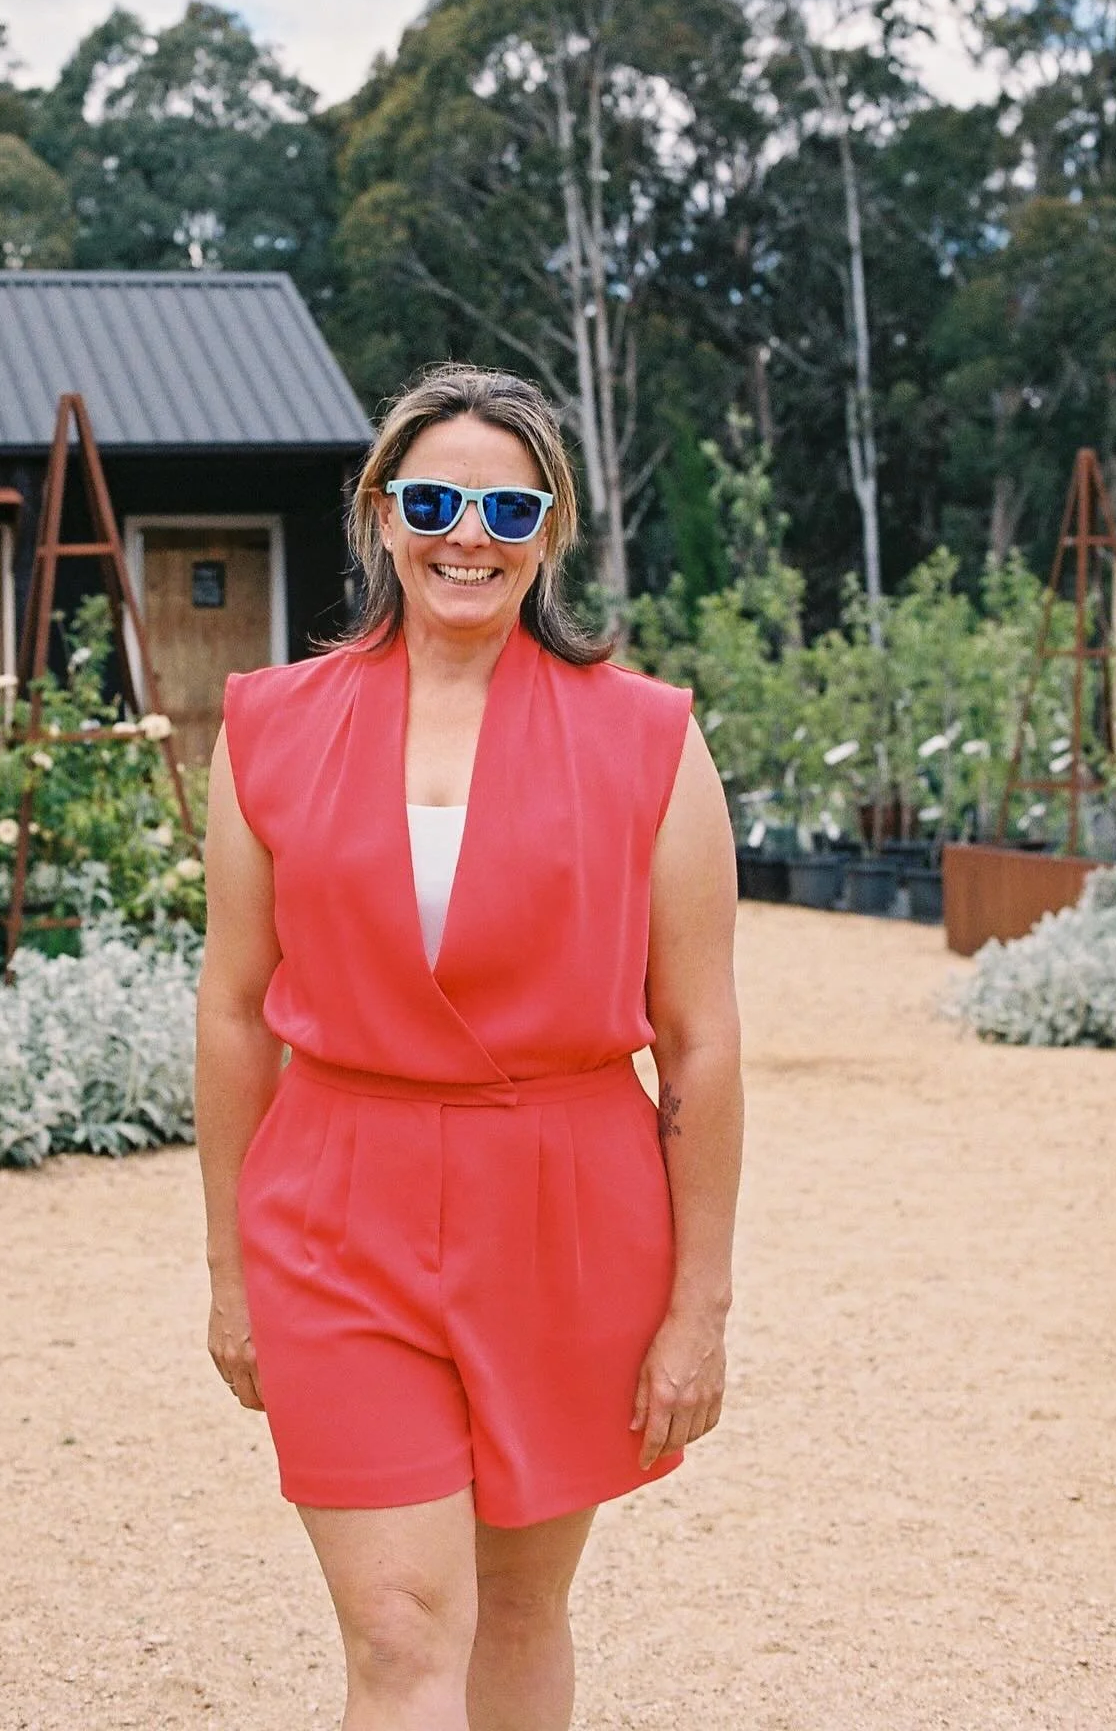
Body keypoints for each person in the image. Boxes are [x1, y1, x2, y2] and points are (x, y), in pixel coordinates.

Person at [195, 364, 743, 1731]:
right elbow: (230, 1009)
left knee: (515, 1609)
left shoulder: (650, 740)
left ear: (551, 532)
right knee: (398, 1631)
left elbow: (700, 1038)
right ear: (382, 515)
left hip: (566, 1214)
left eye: (509, 509)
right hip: (334, 1210)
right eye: (434, 500)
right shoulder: (267, 727)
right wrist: (226, 1277)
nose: (469, 536)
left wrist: (701, 1307)